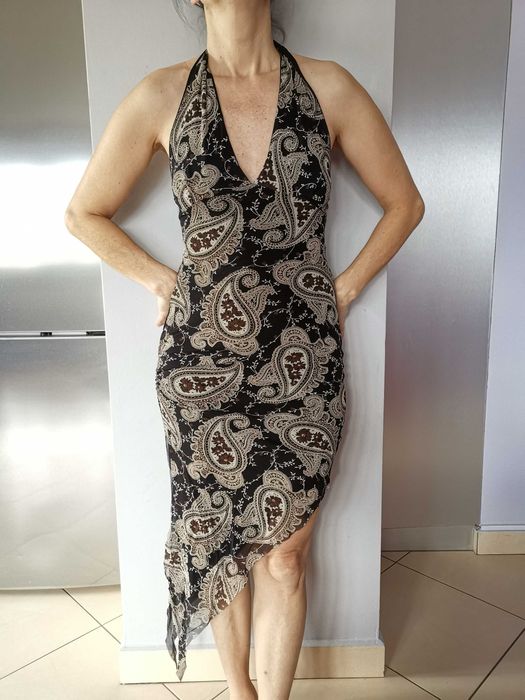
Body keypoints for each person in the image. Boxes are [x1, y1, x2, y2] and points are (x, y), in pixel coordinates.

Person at [65, 1, 424, 698]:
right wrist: (161, 279)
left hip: (305, 360)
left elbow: (404, 203)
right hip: (199, 362)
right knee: (220, 544)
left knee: (285, 556)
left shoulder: (329, 88)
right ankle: (240, 691)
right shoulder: (161, 95)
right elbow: (84, 213)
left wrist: (344, 290)